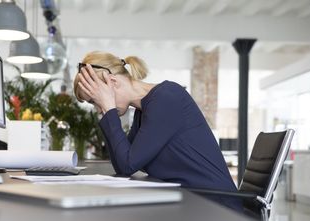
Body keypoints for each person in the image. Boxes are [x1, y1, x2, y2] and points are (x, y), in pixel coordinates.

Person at [74, 51, 241, 211]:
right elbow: (122, 165)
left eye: (96, 100)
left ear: (113, 82)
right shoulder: (143, 111)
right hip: (189, 202)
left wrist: (109, 109)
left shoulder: (166, 98)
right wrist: (107, 112)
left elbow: (127, 165)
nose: (98, 108)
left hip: (215, 207)